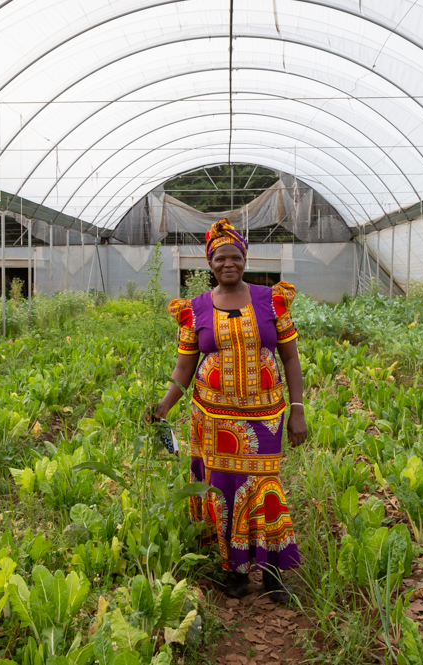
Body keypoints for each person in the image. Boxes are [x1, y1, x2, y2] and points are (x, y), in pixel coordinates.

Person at [151, 218, 307, 603]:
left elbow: (290, 358)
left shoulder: (271, 300)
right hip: (213, 418)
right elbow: (184, 366)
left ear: (245, 258)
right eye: (220, 258)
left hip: (266, 417)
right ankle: (233, 571)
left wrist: (298, 408)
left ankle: (272, 573)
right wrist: (164, 405)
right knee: (222, 492)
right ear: (209, 262)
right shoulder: (196, 309)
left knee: (264, 487)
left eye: (235, 257)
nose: (228, 264)